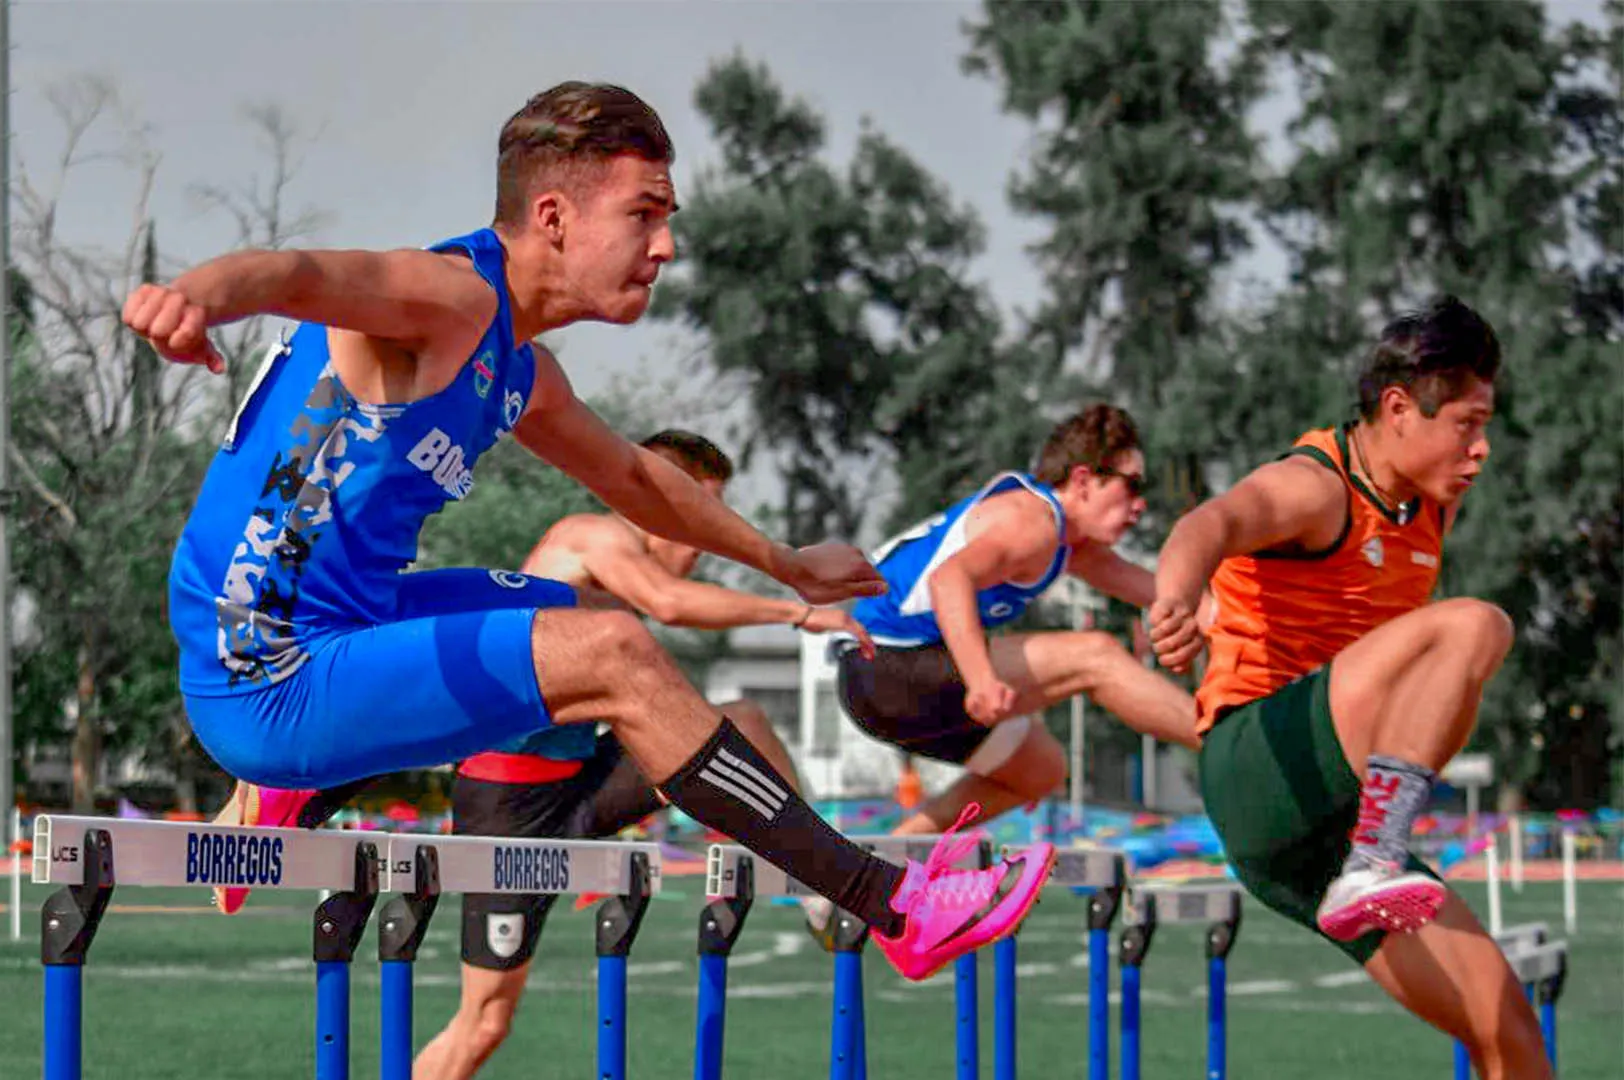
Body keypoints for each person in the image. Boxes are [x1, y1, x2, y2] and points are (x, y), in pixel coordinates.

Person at [124, 80, 1053, 983]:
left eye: (668, 218)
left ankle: (299, 788)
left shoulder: (519, 367)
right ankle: (894, 906)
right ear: (554, 217)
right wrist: (195, 296)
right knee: (613, 651)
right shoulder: (447, 298)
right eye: (644, 215)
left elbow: (637, 479)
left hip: (339, 627)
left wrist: (784, 562)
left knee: (573, 612)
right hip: (264, 667)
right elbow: (299, 274)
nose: (666, 246)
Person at [1148, 296, 1548, 1078]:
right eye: (1466, 424)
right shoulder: (1318, 488)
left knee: (1510, 1034)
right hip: (1259, 763)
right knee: (1473, 626)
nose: (1482, 449)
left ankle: (1372, 856)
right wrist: (1173, 598)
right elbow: (1209, 525)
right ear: (1398, 409)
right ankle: (1379, 852)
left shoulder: (1428, 506)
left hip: (1322, 832)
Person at [410, 428, 866, 1080]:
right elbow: (670, 604)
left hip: (588, 780)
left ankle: (821, 881)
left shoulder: (632, 571)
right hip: (510, 799)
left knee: (743, 722)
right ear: (659, 498)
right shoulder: (589, 537)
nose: (705, 541)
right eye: (700, 514)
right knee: (484, 1022)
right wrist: (796, 613)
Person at [835, 404, 1199, 838]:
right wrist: (981, 680)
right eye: (1132, 485)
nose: (1140, 505)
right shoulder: (1033, 523)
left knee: (1040, 769)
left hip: (883, 685)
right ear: (1083, 480)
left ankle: (888, 853)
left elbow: (1169, 595)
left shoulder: (1072, 546)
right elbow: (948, 581)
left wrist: (1230, 613)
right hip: (885, 666)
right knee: (1096, 655)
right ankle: (1226, 743)